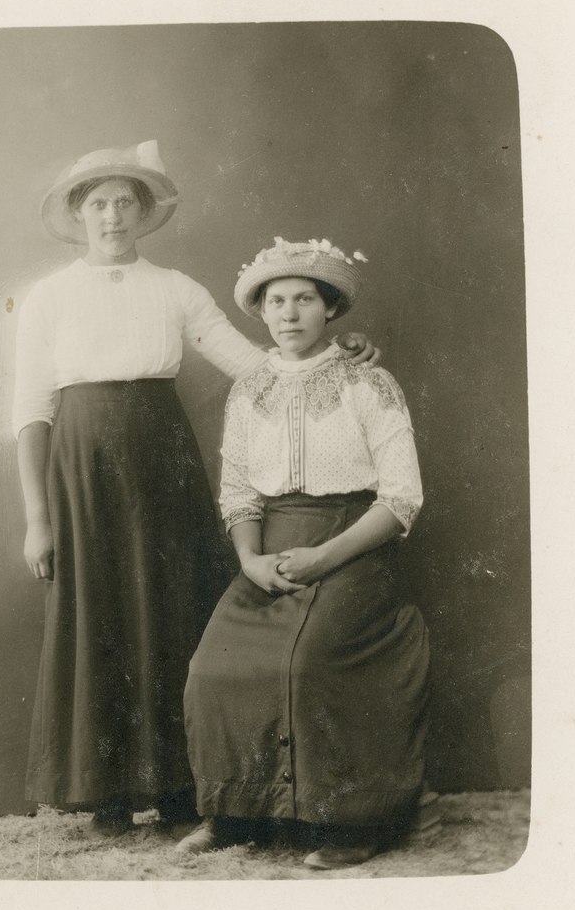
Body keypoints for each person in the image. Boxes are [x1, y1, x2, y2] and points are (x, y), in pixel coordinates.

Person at [13, 144, 379, 834]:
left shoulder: (175, 288)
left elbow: (255, 364)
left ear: (142, 212)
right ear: (79, 214)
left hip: (162, 460)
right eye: (99, 203)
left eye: (125, 202)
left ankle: (181, 789)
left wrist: (339, 352)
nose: (112, 216)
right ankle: (107, 795)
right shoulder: (49, 297)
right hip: (81, 469)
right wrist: (38, 518)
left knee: (172, 606)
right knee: (98, 614)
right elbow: (31, 410)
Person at [179, 236, 431, 868]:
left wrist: (325, 558)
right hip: (270, 552)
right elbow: (239, 492)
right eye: (276, 302)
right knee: (212, 668)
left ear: (330, 308)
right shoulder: (249, 390)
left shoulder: (368, 382)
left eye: (304, 299)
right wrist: (250, 560)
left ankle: (352, 821)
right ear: (262, 313)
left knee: (309, 662)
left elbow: (401, 498)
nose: (289, 313)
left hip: (354, 546)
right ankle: (231, 814)